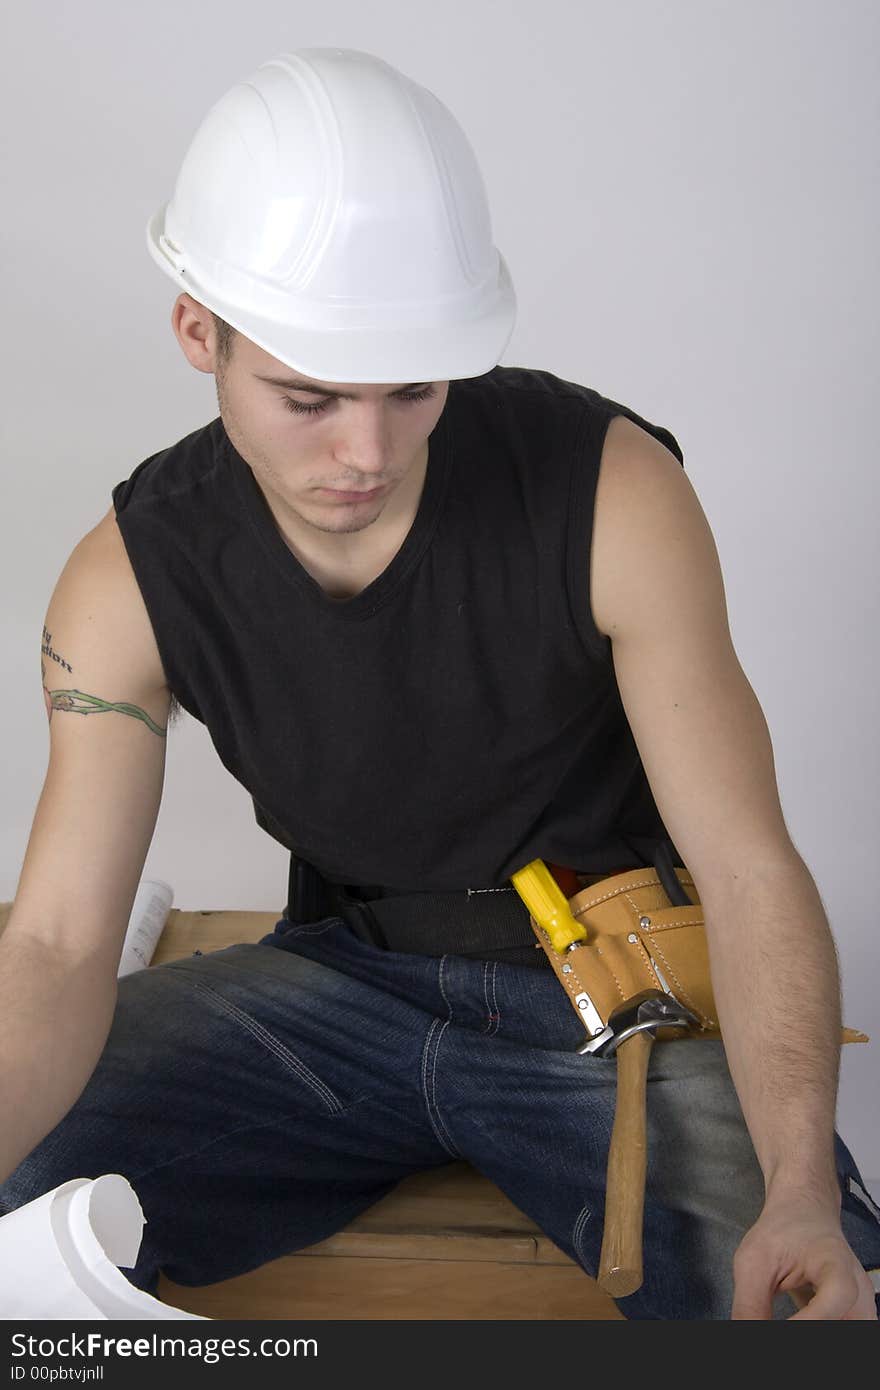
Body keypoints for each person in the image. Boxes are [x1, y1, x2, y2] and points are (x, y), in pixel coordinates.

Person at [2, 46, 879, 1322]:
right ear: (198, 331)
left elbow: (747, 864)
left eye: (413, 389)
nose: (367, 451)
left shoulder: (611, 493)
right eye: (309, 397)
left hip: (613, 993)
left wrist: (800, 1179)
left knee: (798, 1302)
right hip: (341, 984)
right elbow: (60, 937)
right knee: (22, 1175)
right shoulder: (127, 577)